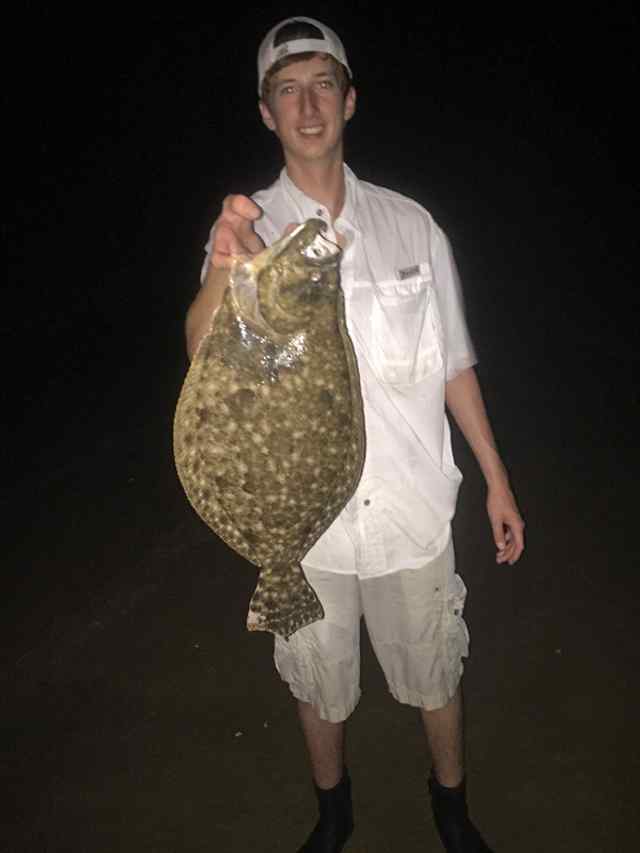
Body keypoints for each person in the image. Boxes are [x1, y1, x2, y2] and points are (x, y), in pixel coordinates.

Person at [185, 16, 525, 853]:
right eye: (287, 89)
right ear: (266, 112)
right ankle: (333, 810)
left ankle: (452, 805)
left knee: (436, 668)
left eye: (322, 84)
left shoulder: (415, 226)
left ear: (349, 99)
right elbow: (203, 352)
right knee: (317, 682)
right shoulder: (248, 229)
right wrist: (228, 268)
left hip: (412, 509)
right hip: (310, 534)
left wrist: (496, 477)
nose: (307, 105)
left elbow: (454, 360)